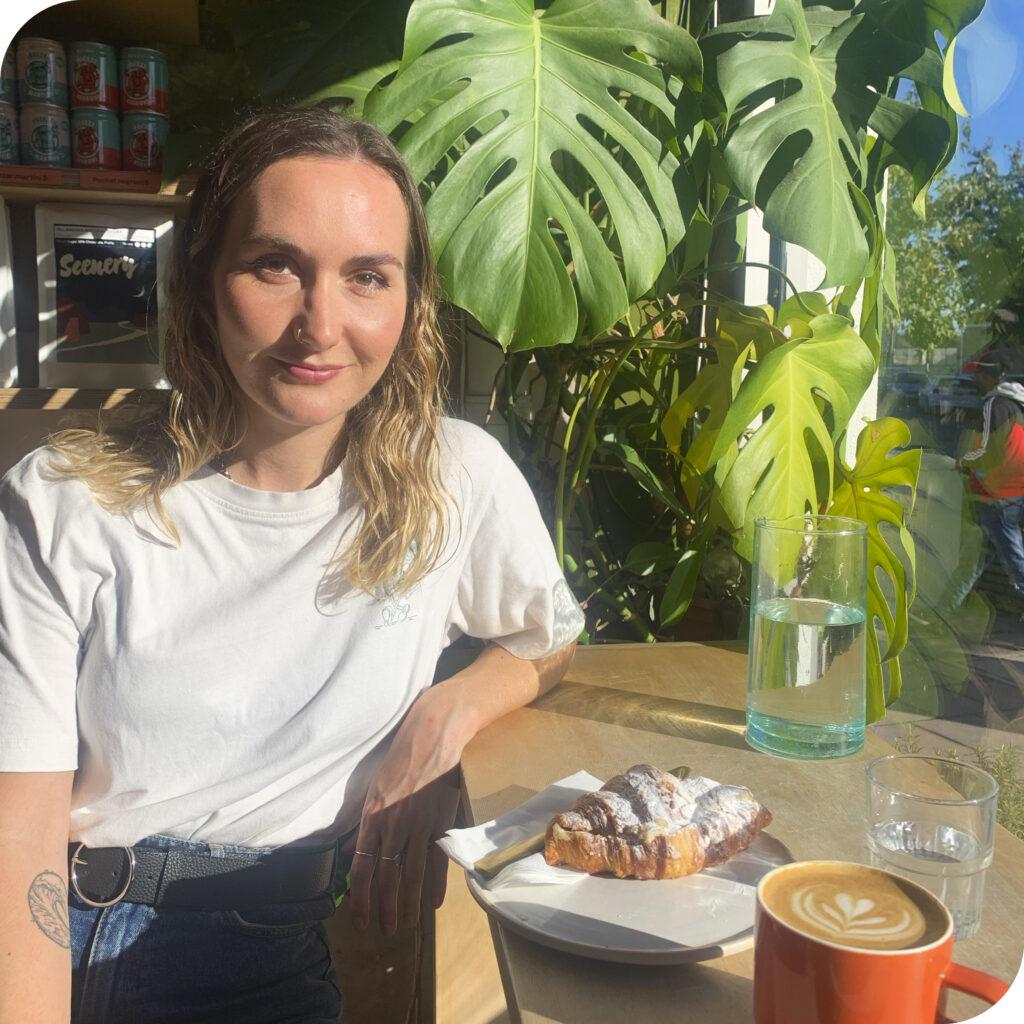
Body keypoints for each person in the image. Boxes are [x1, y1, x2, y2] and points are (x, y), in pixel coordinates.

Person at [0, 107, 584, 1024]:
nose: (320, 324)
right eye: (275, 265)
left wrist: (452, 710)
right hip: (74, 937)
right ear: (203, 282)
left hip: (279, 944)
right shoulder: (67, 503)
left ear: (409, 303)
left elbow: (548, 636)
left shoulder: (454, 480)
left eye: (367, 277)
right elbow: (17, 837)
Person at [943, 350, 1024, 611]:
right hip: (1012, 493)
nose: (974, 379)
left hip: (996, 496)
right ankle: (944, 611)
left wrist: (963, 461)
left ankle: (943, 611)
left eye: (977, 374)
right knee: (975, 560)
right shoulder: (1016, 404)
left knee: (1014, 562)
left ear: (987, 376)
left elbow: (989, 450)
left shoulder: (993, 405)